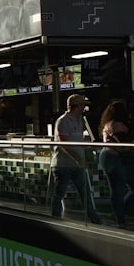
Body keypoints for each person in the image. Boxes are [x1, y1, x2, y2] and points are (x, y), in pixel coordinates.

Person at [51, 94, 102, 224]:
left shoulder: (81, 121)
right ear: (77, 106)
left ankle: (94, 218)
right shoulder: (63, 121)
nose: (85, 108)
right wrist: (78, 158)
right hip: (63, 164)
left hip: (77, 164)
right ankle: (55, 218)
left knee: (85, 192)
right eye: (83, 105)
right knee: (60, 192)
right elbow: (64, 144)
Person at [98, 100, 134, 227]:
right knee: (118, 188)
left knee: (131, 187)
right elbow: (123, 140)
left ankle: (118, 211)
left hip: (118, 157)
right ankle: (120, 217)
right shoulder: (114, 125)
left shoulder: (115, 124)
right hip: (113, 157)